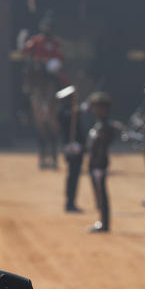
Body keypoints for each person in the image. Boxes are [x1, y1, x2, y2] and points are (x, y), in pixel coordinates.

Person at [86, 91, 123, 232]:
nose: (94, 110)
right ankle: (102, 221)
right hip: (95, 163)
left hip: (99, 164)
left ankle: (105, 223)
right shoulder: (99, 124)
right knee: (98, 195)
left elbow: (101, 146)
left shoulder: (105, 126)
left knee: (102, 195)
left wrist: (97, 164)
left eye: (97, 107)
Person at [57, 84, 85, 212]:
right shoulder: (64, 112)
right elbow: (65, 119)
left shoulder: (73, 111)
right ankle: (69, 203)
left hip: (77, 146)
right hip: (70, 147)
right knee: (72, 176)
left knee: (75, 175)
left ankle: (71, 201)